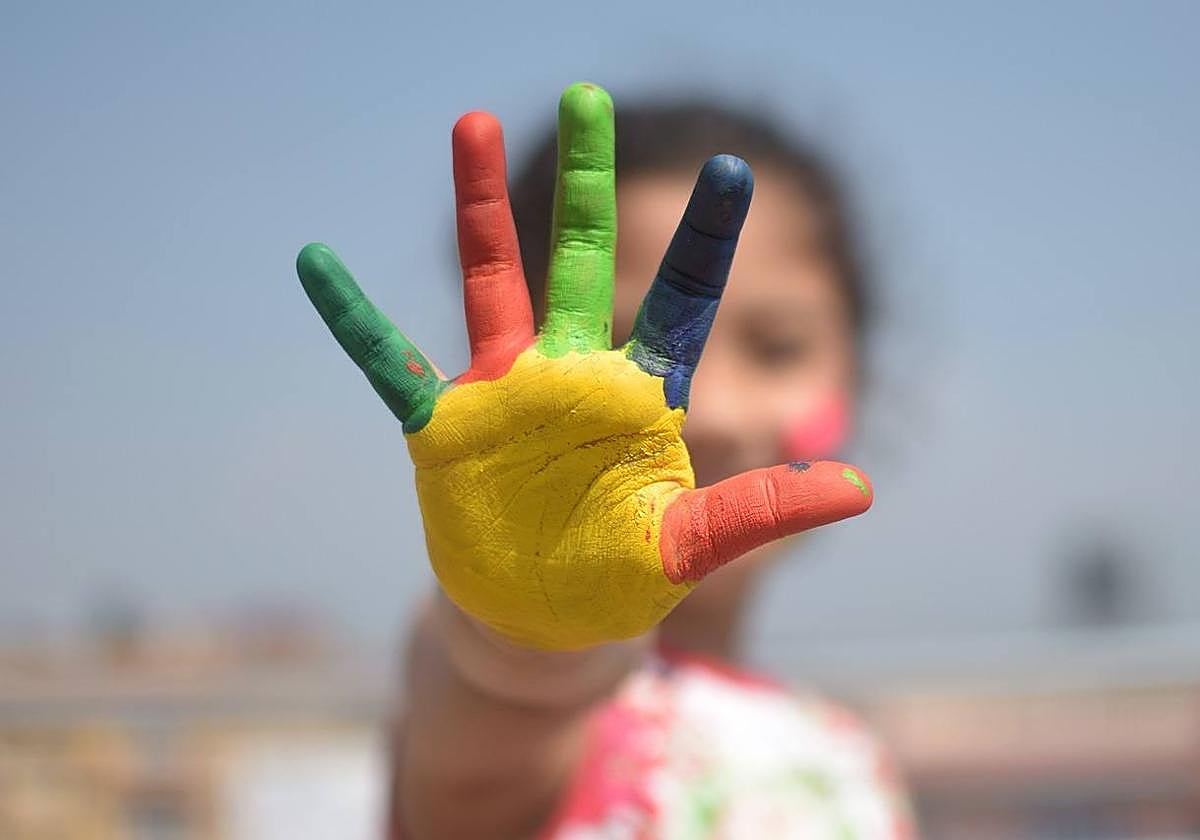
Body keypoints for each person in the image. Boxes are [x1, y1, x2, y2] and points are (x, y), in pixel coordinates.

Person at [296, 82, 913, 839]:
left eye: (776, 346)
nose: (710, 412)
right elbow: (492, 710)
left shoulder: (846, 756)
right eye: (629, 350)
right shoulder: (515, 684)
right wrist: (534, 637)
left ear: (856, 369)